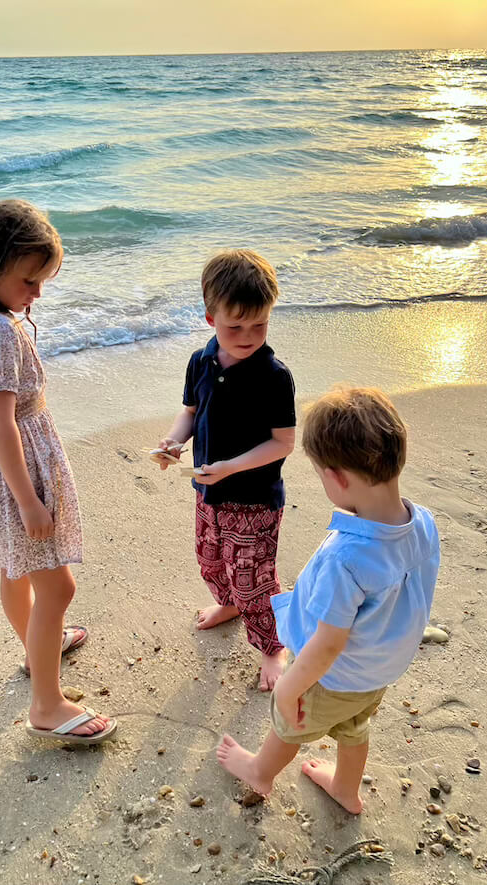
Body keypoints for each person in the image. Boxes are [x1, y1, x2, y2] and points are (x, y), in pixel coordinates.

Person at [0, 198, 116, 746]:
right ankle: (46, 704)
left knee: (17, 571)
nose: (36, 294)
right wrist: (28, 500)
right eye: (29, 280)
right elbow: (1, 421)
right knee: (57, 587)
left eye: (43, 281)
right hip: (12, 473)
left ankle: (39, 647)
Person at [217, 387, 439, 813]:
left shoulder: (347, 557)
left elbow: (328, 644)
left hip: (335, 675)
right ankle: (345, 789)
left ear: (336, 478)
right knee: (355, 726)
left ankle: (260, 770)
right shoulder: (422, 521)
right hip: (378, 667)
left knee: (291, 723)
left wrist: (289, 689)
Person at [155, 249, 296, 691]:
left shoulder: (273, 376)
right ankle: (231, 604)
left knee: (254, 577)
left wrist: (231, 467)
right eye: (235, 326)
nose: (248, 336)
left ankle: (273, 646)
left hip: (255, 499)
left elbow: (283, 442)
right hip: (207, 492)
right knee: (212, 561)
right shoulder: (201, 361)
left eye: (260, 325)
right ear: (210, 317)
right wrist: (174, 443)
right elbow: (189, 413)